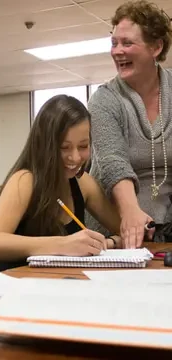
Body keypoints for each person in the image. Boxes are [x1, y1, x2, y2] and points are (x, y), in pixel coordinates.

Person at [0, 95, 122, 271]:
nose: (76, 157)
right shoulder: (25, 180)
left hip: (63, 286)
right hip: (19, 289)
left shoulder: (83, 183)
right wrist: (62, 245)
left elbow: (123, 230)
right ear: (45, 145)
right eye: (64, 147)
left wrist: (109, 242)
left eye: (83, 146)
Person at [88, 0, 172, 249]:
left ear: (156, 47)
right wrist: (130, 213)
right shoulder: (104, 99)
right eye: (114, 43)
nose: (117, 51)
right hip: (114, 230)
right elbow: (114, 164)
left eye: (127, 43)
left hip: (164, 228)